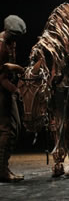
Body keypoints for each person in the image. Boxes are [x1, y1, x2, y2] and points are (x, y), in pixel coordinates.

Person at [0, 15, 26, 182]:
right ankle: (2, 170)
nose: (16, 41)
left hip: (7, 91)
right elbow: (1, 76)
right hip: (2, 92)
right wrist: (15, 89)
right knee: (7, 130)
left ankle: (3, 167)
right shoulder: (1, 45)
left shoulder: (10, 43)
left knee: (14, 129)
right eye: (14, 37)